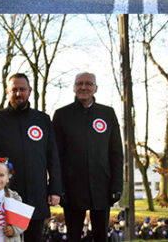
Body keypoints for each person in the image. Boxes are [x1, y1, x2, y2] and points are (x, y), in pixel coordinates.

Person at [0, 73, 62, 242]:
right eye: (14, 90)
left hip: (36, 193)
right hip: (6, 195)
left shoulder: (43, 119)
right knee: (9, 238)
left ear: (30, 90)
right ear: (7, 92)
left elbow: (52, 157)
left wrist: (55, 189)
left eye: (22, 89)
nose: (18, 93)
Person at [52, 73, 123, 242]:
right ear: (74, 87)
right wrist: (58, 187)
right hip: (72, 188)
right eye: (79, 84)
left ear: (95, 88)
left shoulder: (107, 113)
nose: (83, 87)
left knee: (100, 236)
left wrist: (117, 185)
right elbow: (55, 155)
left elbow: (116, 152)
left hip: (102, 187)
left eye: (88, 84)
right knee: (73, 236)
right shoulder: (62, 115)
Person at [0, 158, 24, 242]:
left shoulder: (15, 197)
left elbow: (22, 221)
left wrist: (14, 230)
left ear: (8, 178)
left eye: (1, 175)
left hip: (9, 238)